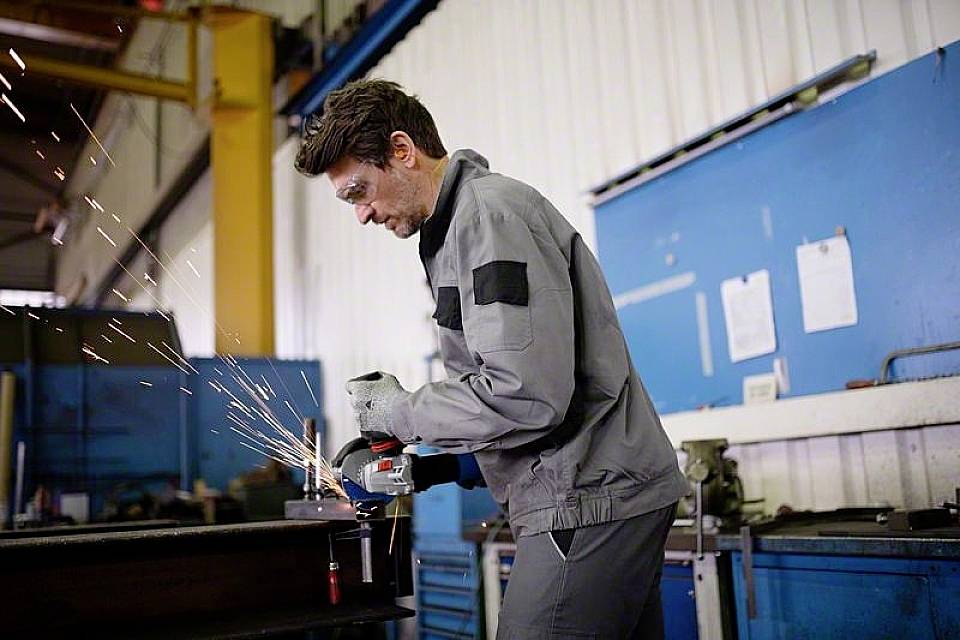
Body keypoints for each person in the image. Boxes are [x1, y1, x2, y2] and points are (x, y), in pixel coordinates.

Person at [295, 79, 688, 640]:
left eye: (360, 191)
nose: (361, 214)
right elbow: (539, 397)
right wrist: (435, 469)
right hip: (601, 494)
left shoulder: (487, 218)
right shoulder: (456, 229)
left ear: (403, 152)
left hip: (587, 502)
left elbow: (525, 394)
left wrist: (397, 412)